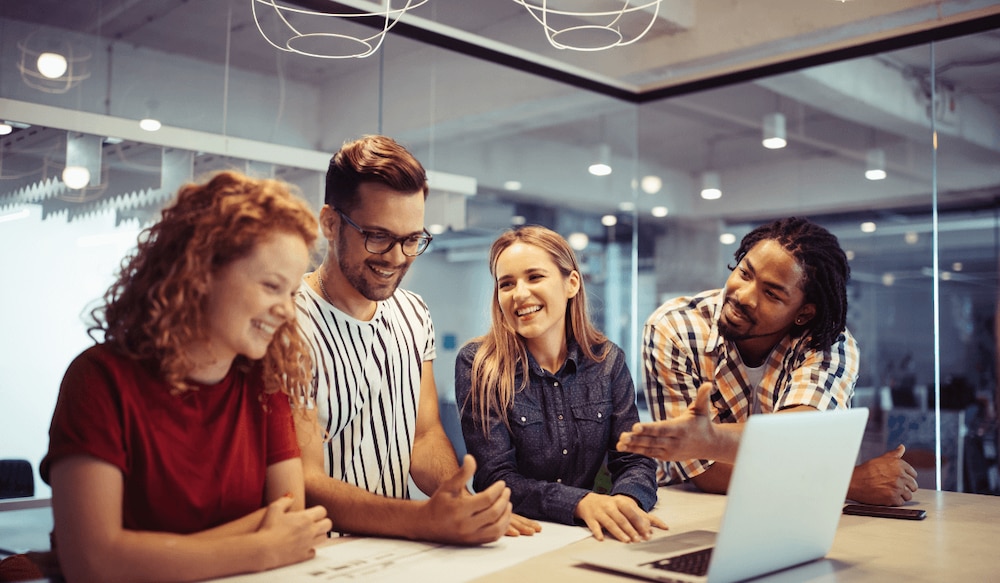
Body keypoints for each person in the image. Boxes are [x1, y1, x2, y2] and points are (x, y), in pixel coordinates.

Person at [39, 171, 332, 583]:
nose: (286, 310)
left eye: (291, 293)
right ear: (200, 271)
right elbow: (92, 563)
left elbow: (292, 520)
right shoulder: (99, 379)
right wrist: (259, 547)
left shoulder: (264, 385)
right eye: (271, 286)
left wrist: (140, 552)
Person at [295, 135, 536, 545]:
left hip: (397, 549)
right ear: (330, 223)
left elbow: (423, 436)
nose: (396, 257)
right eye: (378, 236)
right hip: (320, 556)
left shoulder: (413, 312)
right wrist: (422, 519)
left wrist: (459, 498)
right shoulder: (286, 321)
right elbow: (306, 481)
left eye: (411, 239)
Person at [618, 217, 919, 507]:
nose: (744, 296)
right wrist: (847, 483)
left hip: (797, 511)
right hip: (694, 510)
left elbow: (802, 437)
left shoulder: (827, 343)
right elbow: (704, 473)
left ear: (804, 313)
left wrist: (708, 440)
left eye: (772, 293)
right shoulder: (675, 328)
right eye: (745, 273)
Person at [455, 225, 667, 543]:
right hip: (517, 539)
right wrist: (580, 503)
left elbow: (634, 457)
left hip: (590, 535)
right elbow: (494, 479)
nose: (520, 293)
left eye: (535, 277)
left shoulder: (607, 361)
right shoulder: (479, 364)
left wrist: (627, 501)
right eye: (507, 284)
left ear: (571, 283)